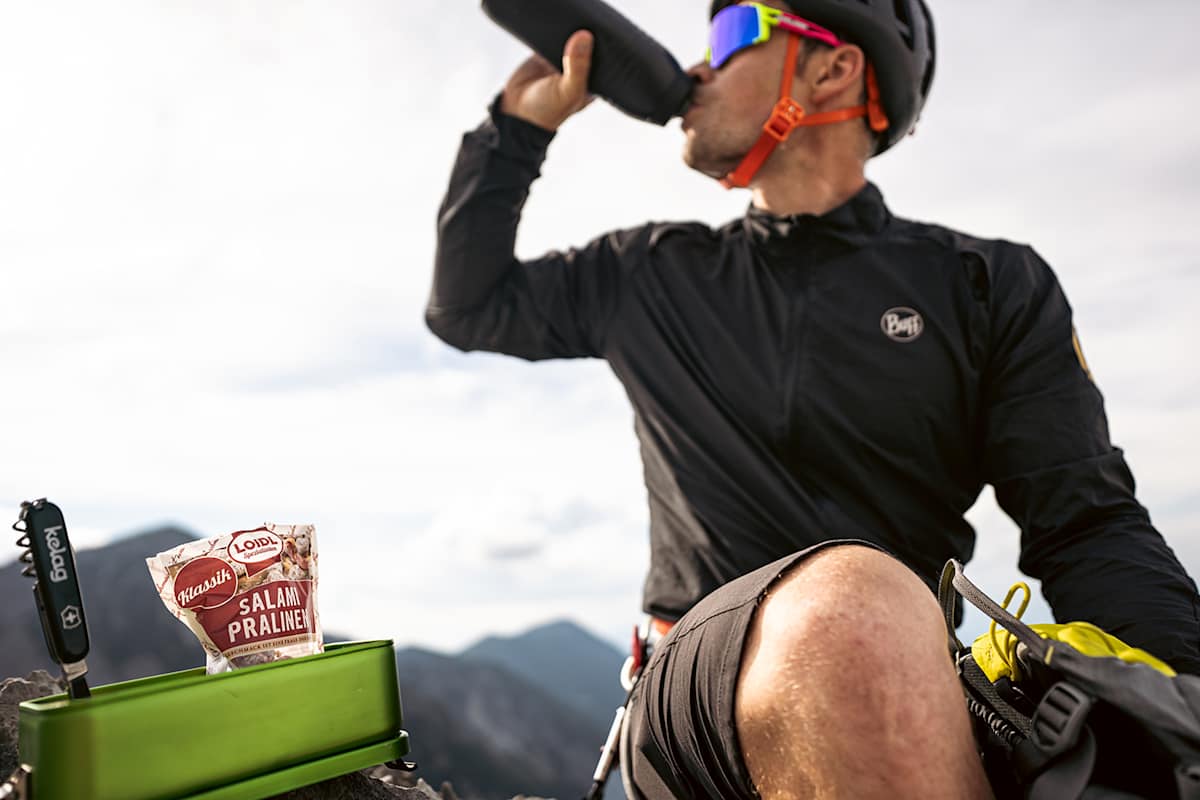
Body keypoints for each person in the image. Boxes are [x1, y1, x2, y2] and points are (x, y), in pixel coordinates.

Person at [427, 1, 1200, 797]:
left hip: (898, 688)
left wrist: (1185, 693)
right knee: (849, 608)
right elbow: (468, 306)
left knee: (876, 627)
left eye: (731, 36)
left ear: (834, 66)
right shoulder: (648, 272)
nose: (698, 65)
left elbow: (1086, 524)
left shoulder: (986, 284)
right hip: (693, 698)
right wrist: (516, 130)